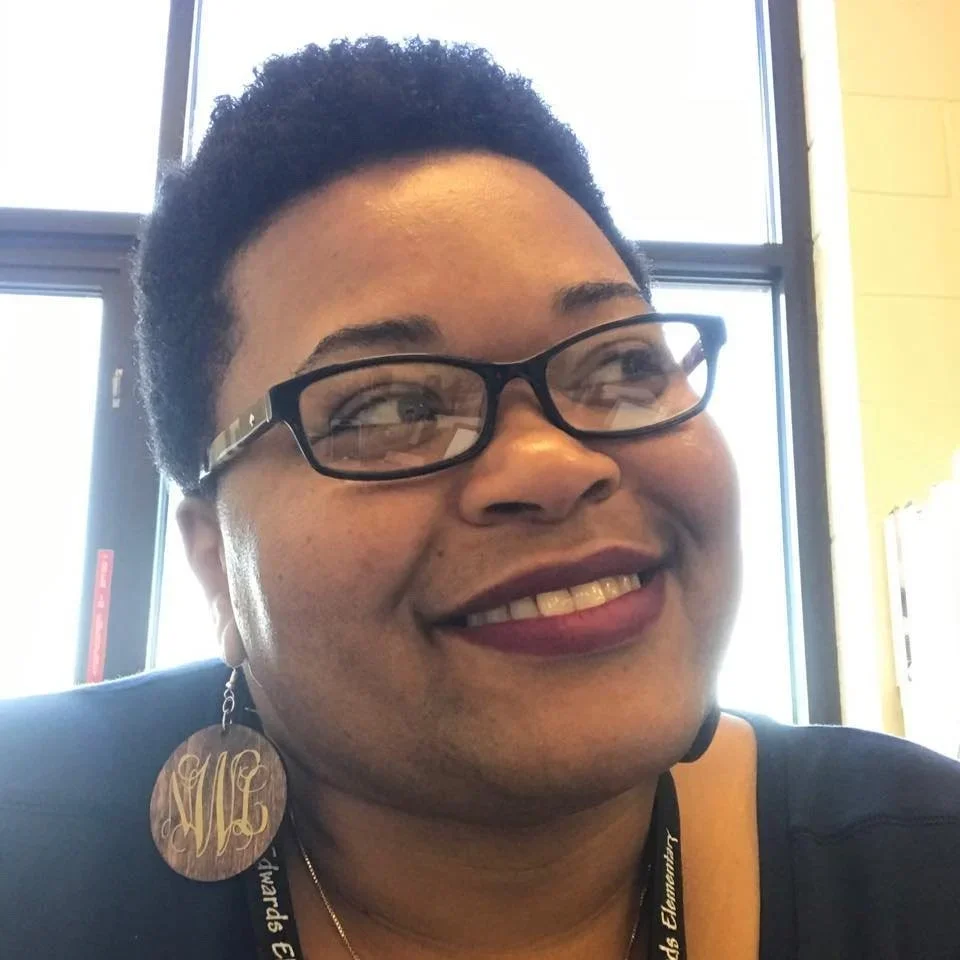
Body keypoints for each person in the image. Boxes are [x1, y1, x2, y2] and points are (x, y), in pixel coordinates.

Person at [2, 36, 958, 960]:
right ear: (215, 557)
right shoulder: (32, 857)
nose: (551, 462)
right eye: (388, 406)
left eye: (622, 363)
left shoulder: (922, 869)